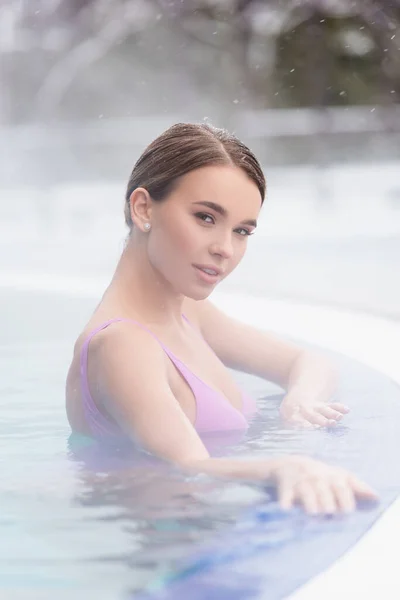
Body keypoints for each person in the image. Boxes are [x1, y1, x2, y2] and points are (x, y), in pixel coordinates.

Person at [66, 122, 377, 515]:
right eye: (206, 218)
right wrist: (286, 466)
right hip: (175, 554)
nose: (225, 249)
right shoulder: (122, 343)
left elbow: (309, 362)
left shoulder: (187, 311)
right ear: (143, 208)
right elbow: (189, 468)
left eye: (243, 231)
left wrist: (301, 399)